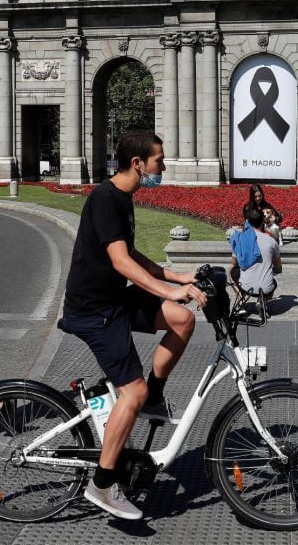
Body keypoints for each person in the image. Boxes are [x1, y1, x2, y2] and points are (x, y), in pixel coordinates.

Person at [60, 131, 207, 520]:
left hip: (114, 301)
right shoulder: (106, 198)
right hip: (94, 310)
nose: (164, 166)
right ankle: (103, 484)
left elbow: (131, 253)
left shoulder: (123, 198)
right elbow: (121, 262)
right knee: (132, 393)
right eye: (159, 159)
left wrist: (176, 276)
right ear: (138, 163)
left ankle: (154, 396)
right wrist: (166, 289)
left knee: (182, 319)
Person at [230, 206, 281, 297]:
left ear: (247, 222)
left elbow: (234, 264)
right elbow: (278, 267)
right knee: (272, 280)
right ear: (262, 221)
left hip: (246, 288)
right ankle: (263, 301)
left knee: (231, 271)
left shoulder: (240, 239)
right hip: (267, 289)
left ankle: (241, 302)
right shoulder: (272, 241)